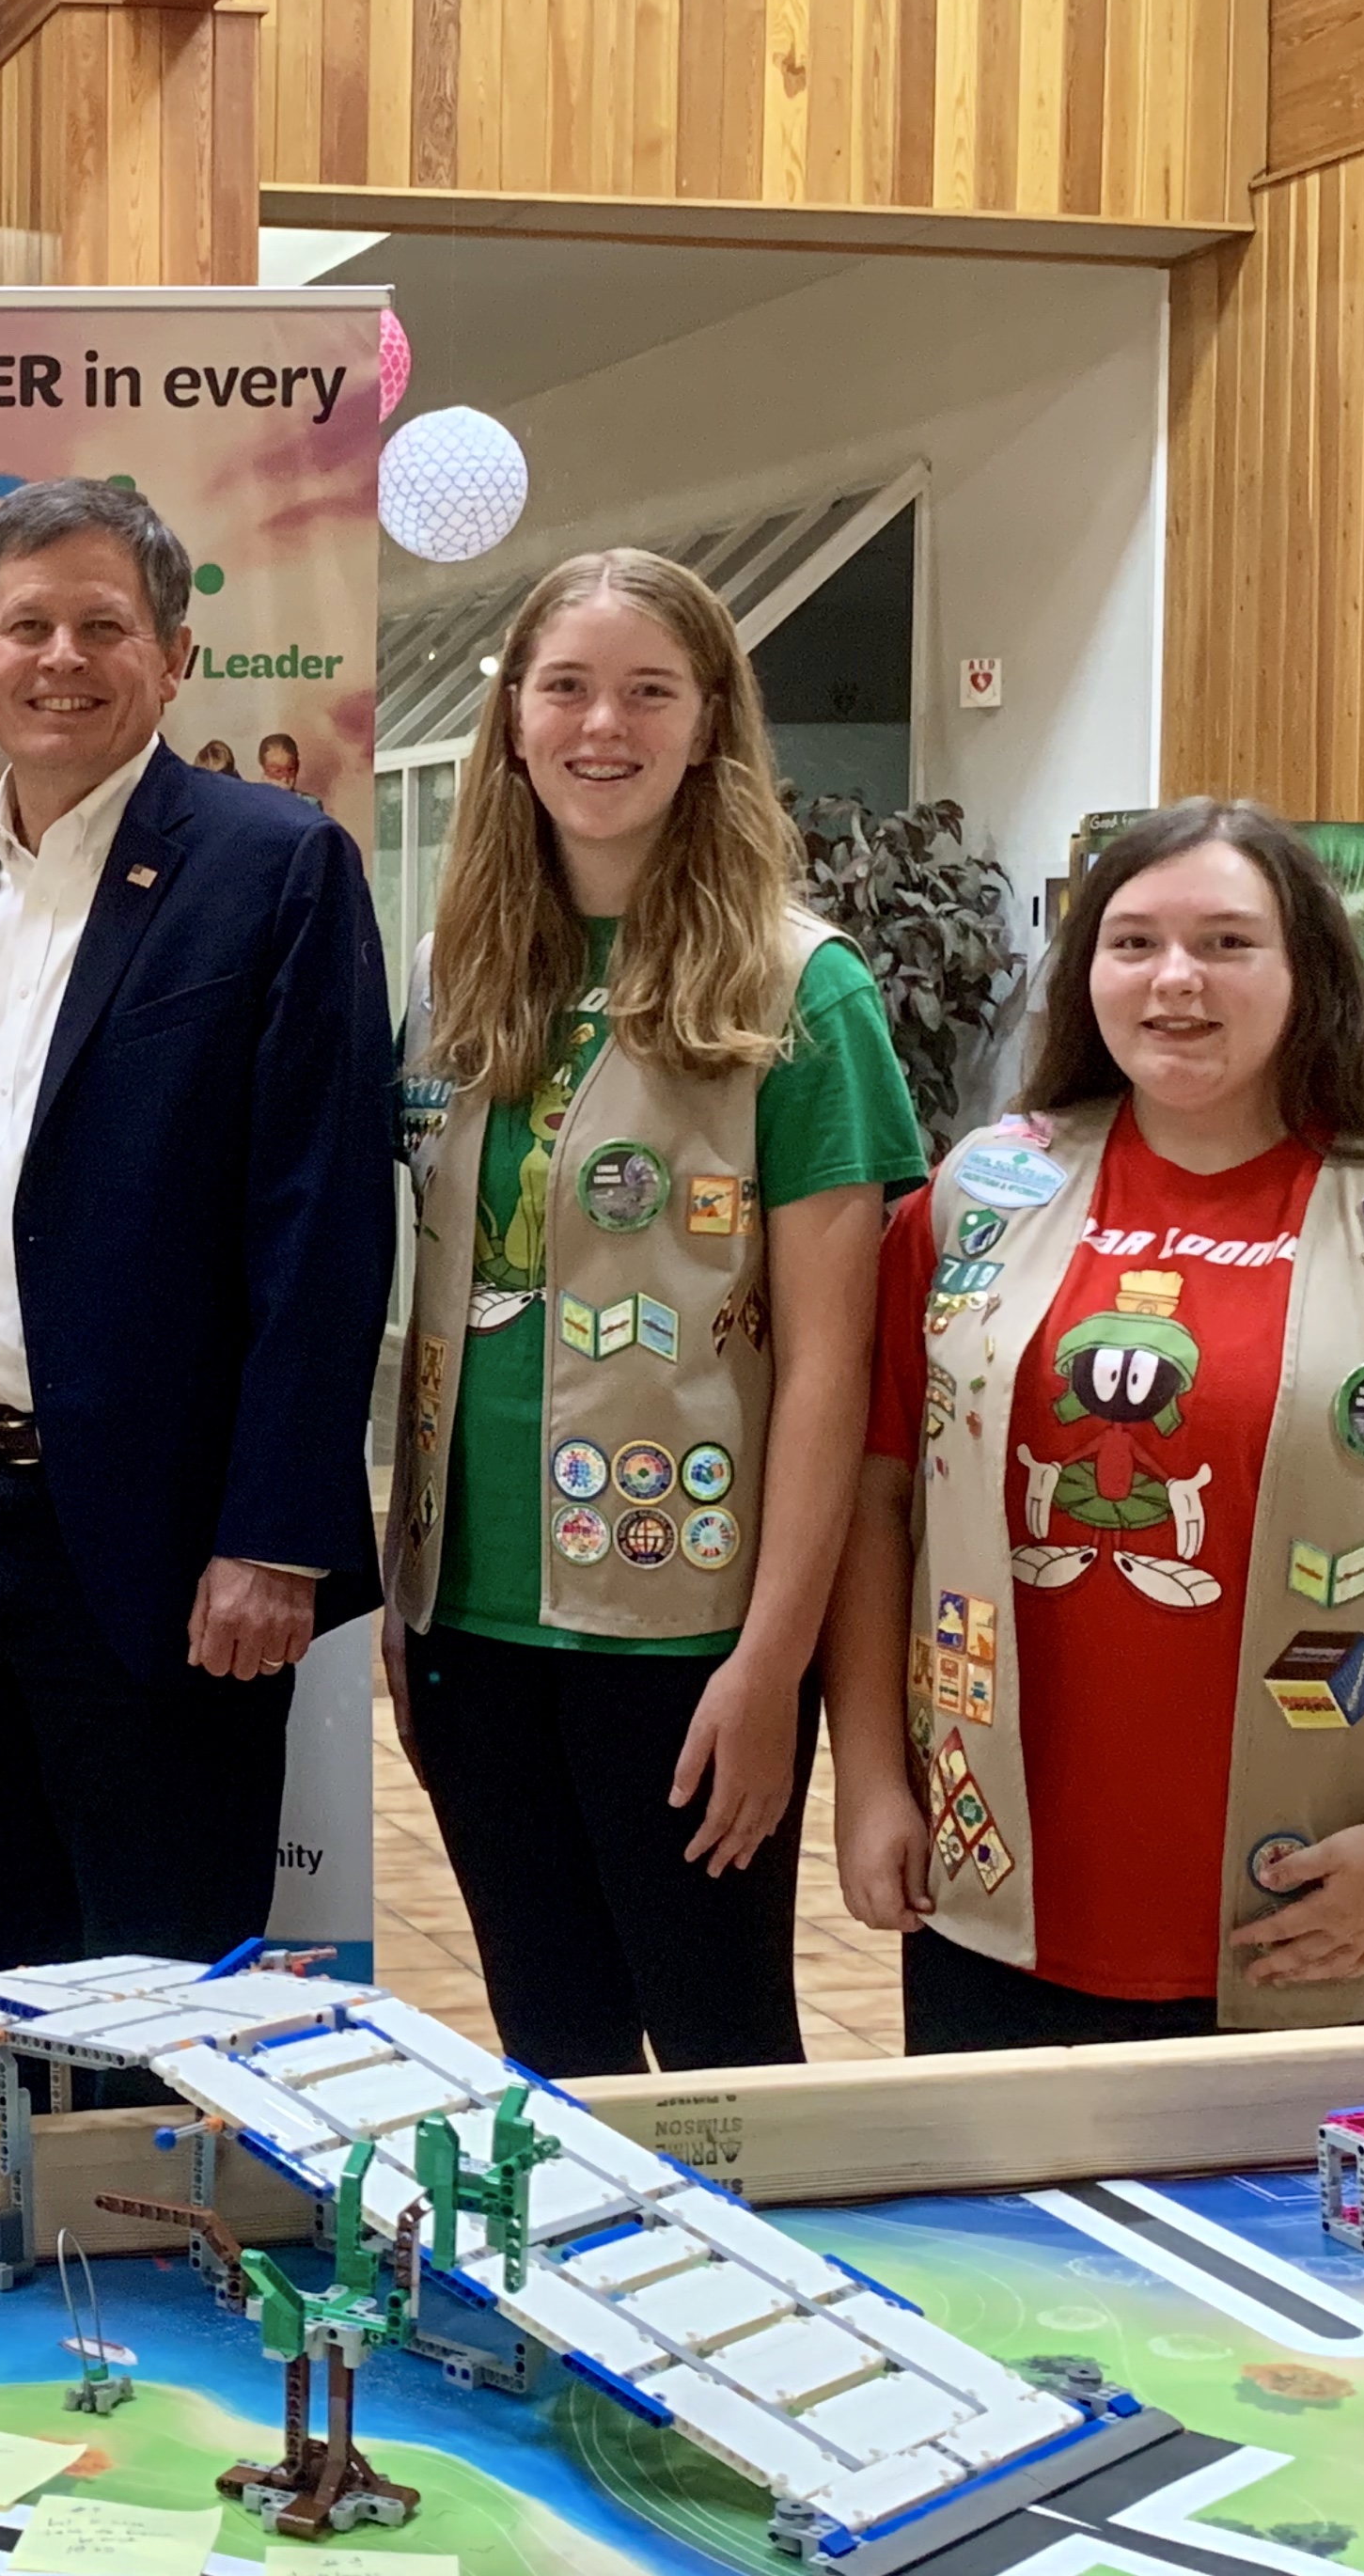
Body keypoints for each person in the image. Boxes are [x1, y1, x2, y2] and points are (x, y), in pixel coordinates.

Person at [828, 798, 1364, 2049]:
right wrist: (873, 1781)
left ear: (1310, 970)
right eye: (1134, 942)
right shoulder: (977, 1200)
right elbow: (881, 1497)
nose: (1176, 980)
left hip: (1301, 1906)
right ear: (1086, 972)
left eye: (1226, 943)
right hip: (990, 1891)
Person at [383, 551, 920, 2078]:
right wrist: (407, 1595)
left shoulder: (801, 991)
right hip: (467, 1616)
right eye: (564, 687)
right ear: (511, 721)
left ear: (708, 724)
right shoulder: (454, 974)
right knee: (548, 2044)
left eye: (646, 691)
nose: (600, 725)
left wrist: (771, 1664)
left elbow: (830, 1370)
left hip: (682, 1625)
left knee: (718, 2043)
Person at [0, 476, 393, 1987]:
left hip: (170, 1547)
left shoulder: (276, 867)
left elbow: (323, 1222)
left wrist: (272, 1537)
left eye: (104, 626)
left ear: (175, 658)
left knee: (160, 1990)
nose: (62, 659)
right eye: (27, 626)